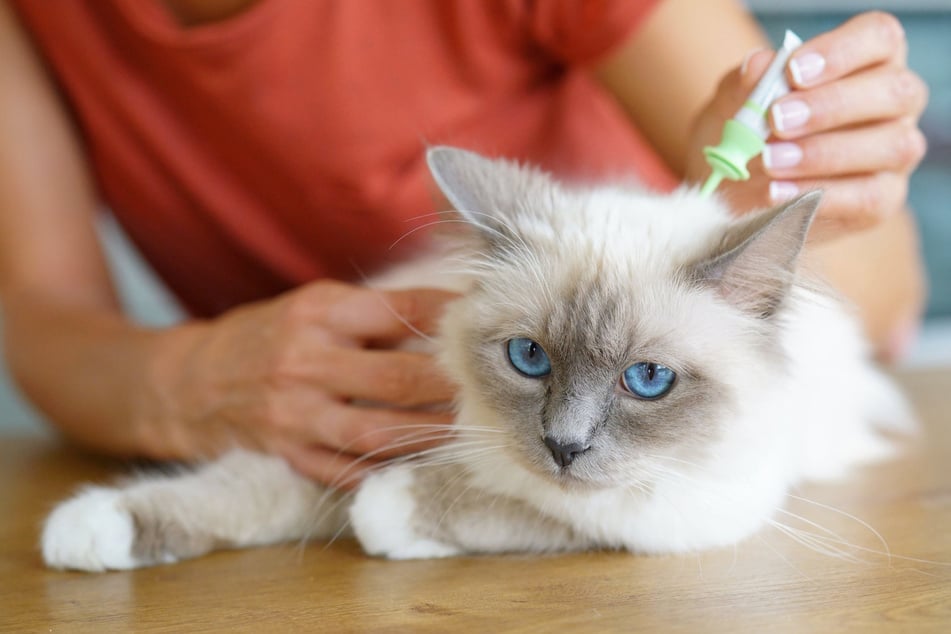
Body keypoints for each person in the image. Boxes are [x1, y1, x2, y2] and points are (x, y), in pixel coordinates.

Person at [0, 0, 928, 485]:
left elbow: (882, 297)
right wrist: (184, 382)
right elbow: (43, 314)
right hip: (331, 445)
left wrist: (761, 216)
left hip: (641, 440)